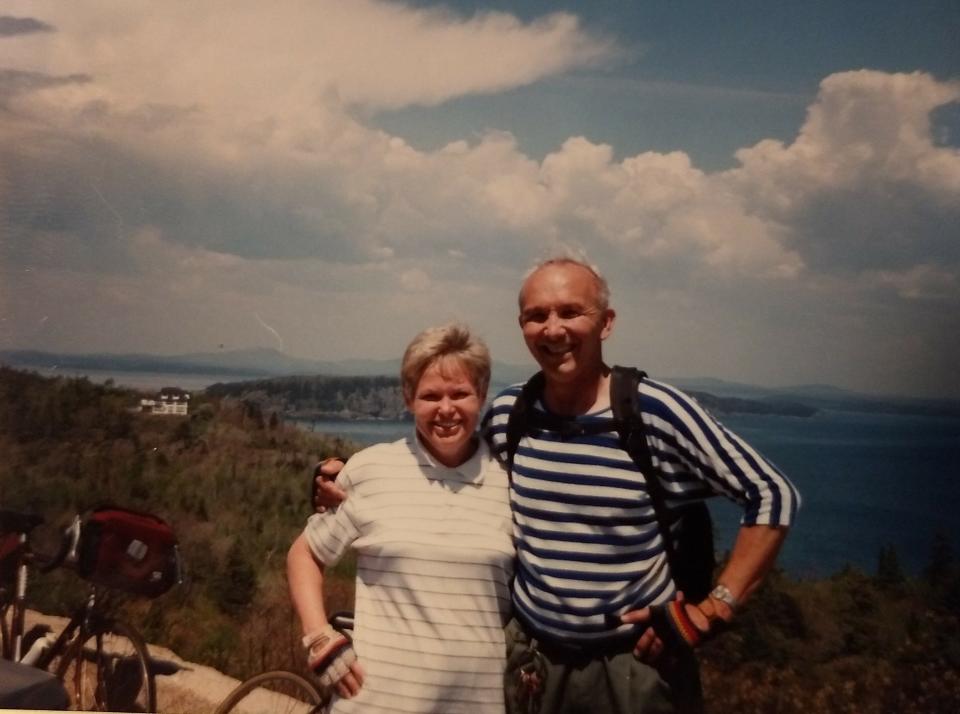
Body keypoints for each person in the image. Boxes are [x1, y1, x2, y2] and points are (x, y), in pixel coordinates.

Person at [315, 255, 801, 714]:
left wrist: (714, 609)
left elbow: (771, 494)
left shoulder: (654, 412)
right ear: (522, 327)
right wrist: (336, 478)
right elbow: (443, 461)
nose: (553, 329)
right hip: (536, 667)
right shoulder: (511, 415)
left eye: (571, 312)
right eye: (536, 315)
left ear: (607, 322)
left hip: (631, 666)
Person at [288, 323, 514, 714]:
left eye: (460, 393)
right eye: (430, 396)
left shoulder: (508, 482)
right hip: (375, 705)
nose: (446, 409)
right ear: (408, 399)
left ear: (481, 394)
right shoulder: (372, 470)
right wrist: (320, 638)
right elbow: (305, 554)